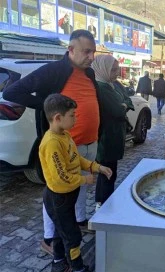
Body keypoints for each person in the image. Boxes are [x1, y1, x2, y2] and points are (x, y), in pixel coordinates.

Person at [3, 29, 99, 255]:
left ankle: (79, 220)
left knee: (81, 184)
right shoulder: (53, 71)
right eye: (86, 52)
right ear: (71, 50)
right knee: (56, 194)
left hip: (88, 143)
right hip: (63, 146)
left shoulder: (90, 74)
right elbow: (13, 92)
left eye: (93, 52)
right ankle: (49, 238)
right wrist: (47, 105)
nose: (91, 57)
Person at [40, 94, 112, 272]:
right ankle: (78, 267)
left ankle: (58, 263)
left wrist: (96, 167)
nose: (75, 118)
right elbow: (60, 178)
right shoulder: (51, 143)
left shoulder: (64, 135)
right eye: (72, 115)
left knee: (61, 230)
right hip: (58, 197)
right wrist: (84, 179)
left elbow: (76, 158)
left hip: (67, 197)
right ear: (58, 118)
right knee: (72, 236)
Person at [91, 55, 131, 210]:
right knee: (106, 171)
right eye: (113, 69)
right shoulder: (101, 87)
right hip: (106, 137)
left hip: (115, 135)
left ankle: (108, 201)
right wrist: (122, 106)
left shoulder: (114, 84)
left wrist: (123, 105)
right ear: (103, 69)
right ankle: (102, 204)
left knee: (112, 171)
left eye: (117, 69)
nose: (117, 73)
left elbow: (128, 102)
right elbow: (118, 110)